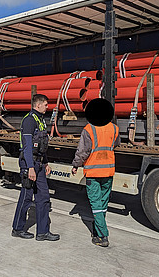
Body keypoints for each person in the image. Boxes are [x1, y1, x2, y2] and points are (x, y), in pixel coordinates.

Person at [71, 98, 120, 247]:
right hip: (109, 172)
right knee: (103, 204)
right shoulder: (114, 128)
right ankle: (98, 230)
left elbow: (83, 151)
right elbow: (116, 144)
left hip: (93, 172)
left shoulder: (89, 129)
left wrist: (75, 165)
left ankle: (102, 235)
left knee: (96, 205)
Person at [12, 94, 60, 241]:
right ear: (38, 105)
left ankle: (42, 232)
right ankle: (18, 229)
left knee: (44, 197)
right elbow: (26, 147)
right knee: (26, 198)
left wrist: (45, 162)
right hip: (29, 164)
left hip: (39, 164)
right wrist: (30, 168)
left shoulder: (41, 120)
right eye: (46, 104)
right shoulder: (29, 120)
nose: (48, 107)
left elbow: (42, 145)